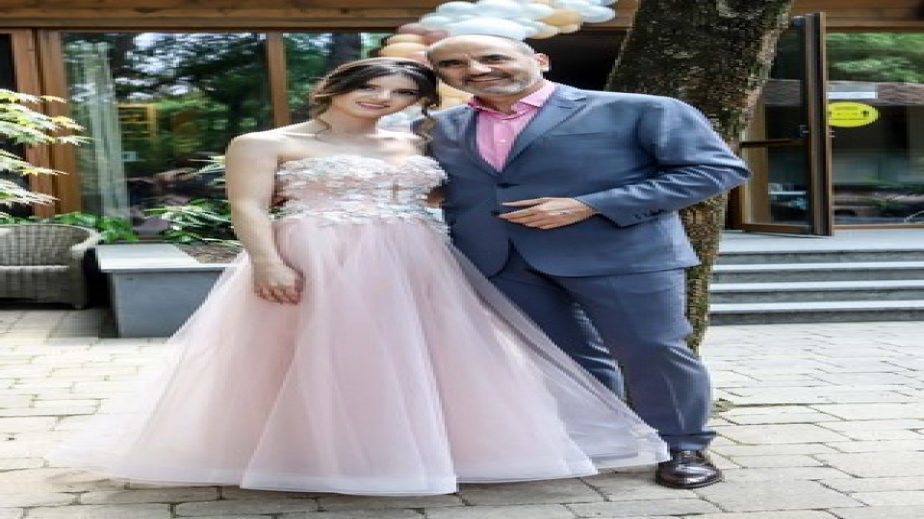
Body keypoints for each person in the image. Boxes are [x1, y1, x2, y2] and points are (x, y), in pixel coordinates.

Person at [47, 57, 669, 496]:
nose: (384, 99)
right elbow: (248, 207)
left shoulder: (418, 144)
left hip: (417, 257)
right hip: (318, 253)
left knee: (426, 355)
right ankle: (318, 453)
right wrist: (267, 261)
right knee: (322, 354)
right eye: (371, 87)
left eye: (402, 93)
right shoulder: (264, 142)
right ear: (335, 88)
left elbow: (446, 194)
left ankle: (430, 446)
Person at [424, 35, 751, 490]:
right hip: (499, 258)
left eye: (493, 57)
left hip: (622, 254)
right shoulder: (439, 127)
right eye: (454, 64)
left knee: (653, 350)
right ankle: (603, 439)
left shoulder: (641, 110)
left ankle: (683, 446)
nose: (475, 69)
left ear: (540, 60)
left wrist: (591, 205)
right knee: (561, 357)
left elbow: (716, 170)